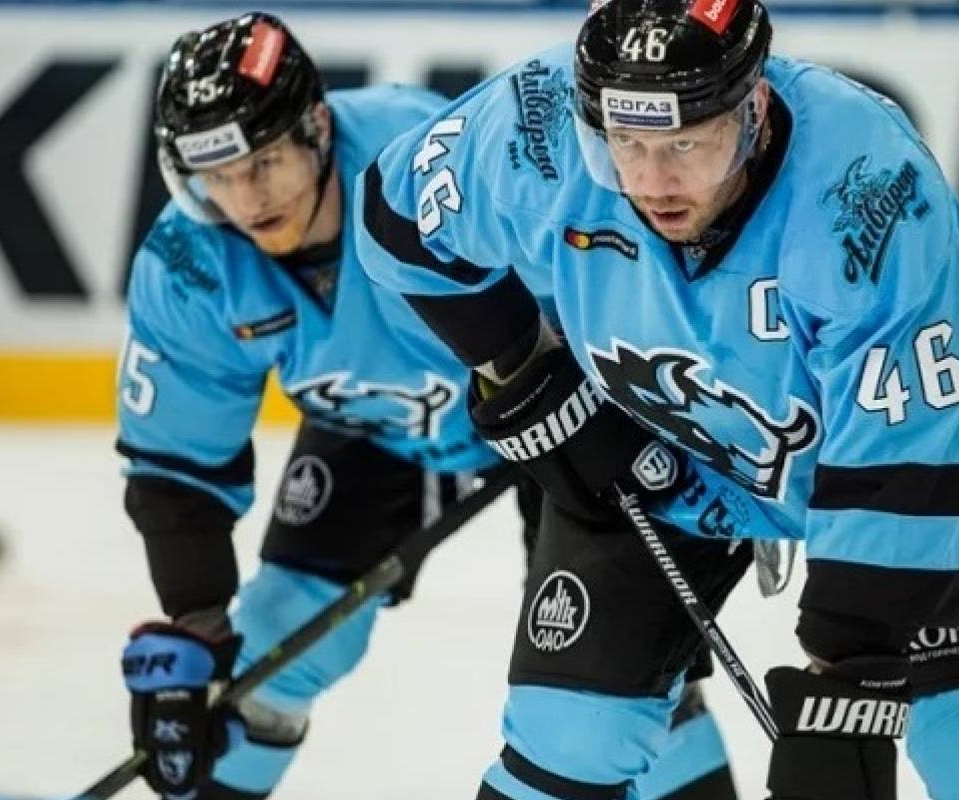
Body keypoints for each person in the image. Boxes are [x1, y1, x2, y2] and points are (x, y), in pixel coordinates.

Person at [355, 1, 959, 798]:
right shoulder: (533, 125)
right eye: (625, 144)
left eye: (685, 144)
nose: (653, 183)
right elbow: (397, 219)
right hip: (662, 440)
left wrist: (848, 684)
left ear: (754, 108)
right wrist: (524, 366)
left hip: (935, 453)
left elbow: (902, 462)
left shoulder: (863, 188)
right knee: (568, 736)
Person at [113, 14, 736, 800]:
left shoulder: (423, 158)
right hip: (385, 431)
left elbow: (617, 269)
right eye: (220, 176)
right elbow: (175, 471)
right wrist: (197, 633)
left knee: (623, 677)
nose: (246, 198)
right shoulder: (188, 261)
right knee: (264, 653)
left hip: (561, 402)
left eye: (264, 161)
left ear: (316, 127)